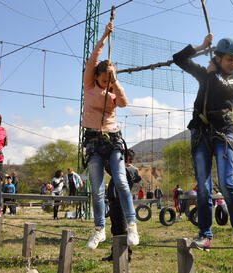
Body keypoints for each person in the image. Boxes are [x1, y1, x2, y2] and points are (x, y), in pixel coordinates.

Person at [173, 34, 233, 251]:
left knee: (227, 183)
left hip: (224, 132)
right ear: (219, 58)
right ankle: (205, 235)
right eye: (230, 59)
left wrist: (210, 71)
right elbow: (179, 59)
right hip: (201, 131)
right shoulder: (206, 73)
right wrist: (200, 46)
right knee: (204, 187)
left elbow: (221, 88)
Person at [81, 21, 139, 250]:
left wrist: (115, 82)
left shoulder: (114, 90)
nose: (105, 84)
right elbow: (93, 58)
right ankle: (99, 230)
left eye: (108, 80)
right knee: (96, 188)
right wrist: (105, 35)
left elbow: (124, 104)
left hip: (113, 139)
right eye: (103, 80)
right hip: (93, 141)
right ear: (96, 77)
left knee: (122, 182)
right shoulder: (89, 85)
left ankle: (133, 226)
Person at [102, 149, 141, 262]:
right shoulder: (122, 169)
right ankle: (114, 254)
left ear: (127, 158)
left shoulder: (131, 170)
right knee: (115, 229)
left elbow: (110, 168)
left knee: (123, 230)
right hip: (115, 201)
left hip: (122, 203)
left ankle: (126, 256)